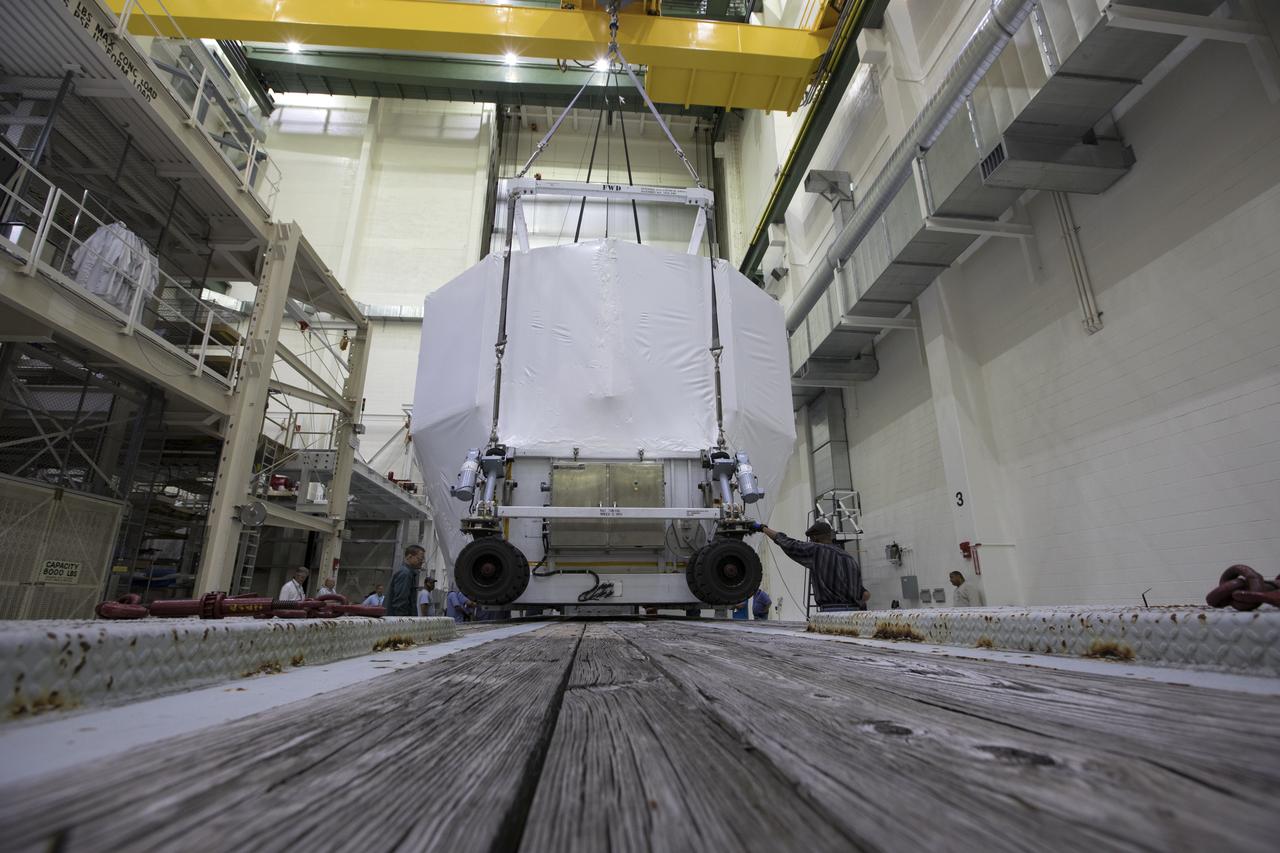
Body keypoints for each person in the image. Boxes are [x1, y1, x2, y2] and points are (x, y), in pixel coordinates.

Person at [752, 521, 866, 611]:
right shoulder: (850, 559)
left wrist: (763, 528)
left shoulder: (818, 550)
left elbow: (788, 543)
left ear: (816, 539)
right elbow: (865, 594)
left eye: (811, 540)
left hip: (832, 612)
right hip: (855, 613)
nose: (810, 542)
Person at [386, 545, 425, 616]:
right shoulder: (405, 574)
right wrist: (403, 622)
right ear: (409, 557)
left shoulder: (408, 573)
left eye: (423, 559)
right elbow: (400, 602)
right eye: (420, 559)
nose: (422, 562)